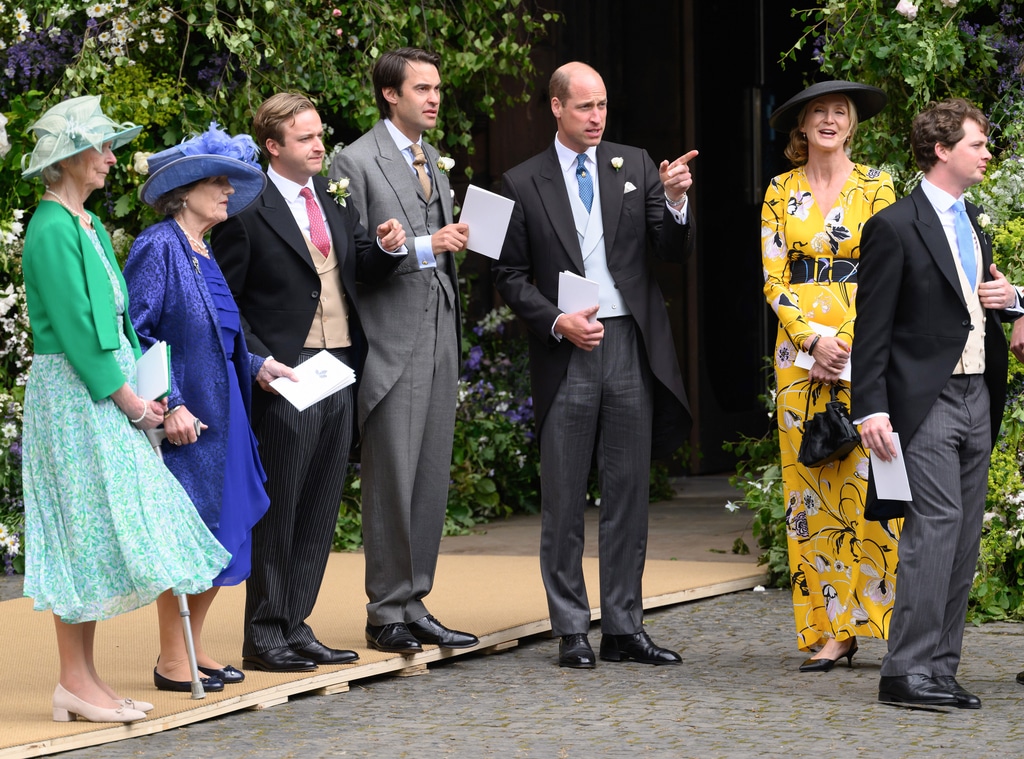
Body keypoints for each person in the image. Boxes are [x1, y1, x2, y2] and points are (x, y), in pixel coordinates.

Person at [18, 95, 230, 722]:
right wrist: (132, 402)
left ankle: (84, 681)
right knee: (80, 532)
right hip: (74, 396)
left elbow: (123, 329)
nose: (112, 158)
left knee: (94, 532)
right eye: (103, 147)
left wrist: (146, 385)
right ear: (70, 157)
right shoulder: (51, 227)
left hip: (105, 392)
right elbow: (79, 336)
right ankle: (74, 682)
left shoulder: (84, 223)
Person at [491, 62, 695, 669]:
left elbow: (670, 249)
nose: (597, 116)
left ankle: (624, 627)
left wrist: (676, 201)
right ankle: (571, 629)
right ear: (556, 107)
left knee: (628, 492)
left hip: (629, 340)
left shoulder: (635, 165)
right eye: (585, 106)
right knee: (563, 495)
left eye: (602, 105)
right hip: (566, 350)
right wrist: (557, 320)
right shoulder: (519, 181)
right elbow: (508, 276)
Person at [211, 93, 406, 673]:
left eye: (320, 134)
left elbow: (355, 269)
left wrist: (386, 249)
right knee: (281, 505)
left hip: (339, 366)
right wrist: (258, 361)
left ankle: (296, 622)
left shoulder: (329, 195)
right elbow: (225, 301)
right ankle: (263, 633)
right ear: (273, 147)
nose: (320, 145)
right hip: (286, 374)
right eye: (306, 138)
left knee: (321, 504)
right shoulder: (245, 208)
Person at [853, 98, 1020, 708]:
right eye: (978, 144)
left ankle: (940, 668)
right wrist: (871, 409)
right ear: (942, 150)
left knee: (965, 535)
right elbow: (871, 329)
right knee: (935, 527)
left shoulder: (973, 220)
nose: (987, 154)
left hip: (980, 392)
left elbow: (973, 300)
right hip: (924, 400)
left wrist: (1013, 301)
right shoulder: (894, 226)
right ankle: (904, 671)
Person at [123, 124, 299, 692]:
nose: (228, 191)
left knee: (223, 533)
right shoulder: (159, 245)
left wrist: (258, 366)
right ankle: (171, 661)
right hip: (191, 421)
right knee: (192, 532)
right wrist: (169, 402)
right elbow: (137, 332)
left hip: (229, 414)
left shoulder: (203, 249)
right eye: (218, 182)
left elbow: (220, 335)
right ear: (185, 191)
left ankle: (191, 649)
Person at [328, 47, 478, 654]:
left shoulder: (433, 160)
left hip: (440, 330)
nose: (434, 98)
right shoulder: (354, 160)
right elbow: (352, 258)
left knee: (430, 475)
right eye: (422, 88)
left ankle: (415, 603)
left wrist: (453, 240)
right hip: (390, 340)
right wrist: (422, 245)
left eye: (437, 88)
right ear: (390, 94)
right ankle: (384, 611)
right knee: (391, 477)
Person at [761, 80, 900, 672]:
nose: (828, 119)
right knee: (810, 489)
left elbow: (890, 269)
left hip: (864, 348)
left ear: (851, 124)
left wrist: (845, 341)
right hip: (799, 360)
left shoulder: (877, 186)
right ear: (801, 125)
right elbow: (773, 279)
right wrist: (812, 340)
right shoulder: (779, 190)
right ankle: (830, 630)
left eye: (838, 112)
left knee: (870, 484)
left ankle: (878, 619)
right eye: (817, 111)